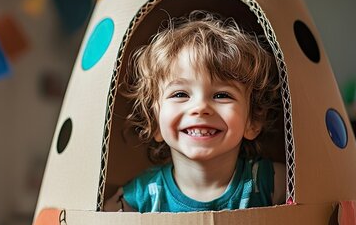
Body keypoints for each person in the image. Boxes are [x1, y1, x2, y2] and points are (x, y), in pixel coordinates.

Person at [104, 11, 285, 212]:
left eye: (221, 95)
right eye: (180, 94)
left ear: (253, 120)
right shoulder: (140, 198)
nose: (200, 108)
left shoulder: (270, 183)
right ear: (156, 121)